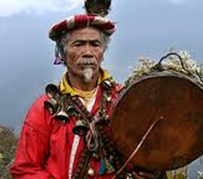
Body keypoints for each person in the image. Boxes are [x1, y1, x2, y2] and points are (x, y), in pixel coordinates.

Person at [10, 1, 167, 179]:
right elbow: (25, 169)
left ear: (103, 51)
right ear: (62, 53)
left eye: (94, 44)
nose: (88, 52)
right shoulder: (45, 109)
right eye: (78, 44)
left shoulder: (124, 100)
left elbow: (149, 151)